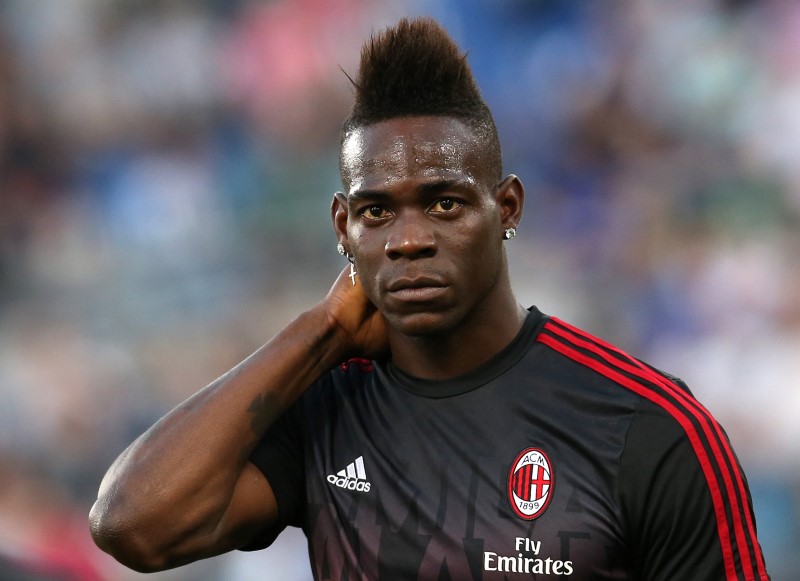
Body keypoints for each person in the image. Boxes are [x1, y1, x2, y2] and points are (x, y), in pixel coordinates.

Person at [89, 17, 770, 581]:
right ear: (342, 228)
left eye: (444, 203)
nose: (409, 239)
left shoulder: (647, 426)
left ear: (506, 207)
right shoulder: (326, 406)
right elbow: (133, 526)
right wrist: (322, 330)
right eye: (377, 212)